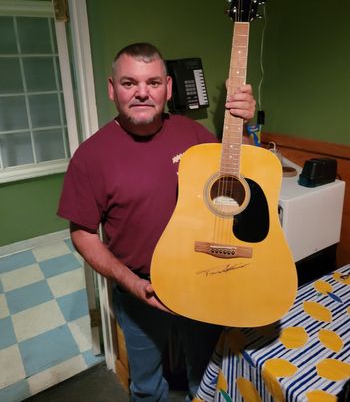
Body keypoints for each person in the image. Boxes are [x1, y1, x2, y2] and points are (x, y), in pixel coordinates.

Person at [57, 42, 256, 401]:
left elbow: (235, 176)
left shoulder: (192, 134)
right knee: (147, 387)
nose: (142, 93)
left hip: (200, 280)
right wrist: (132, 284)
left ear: (167, 87)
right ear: (112, 88)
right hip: (139, 292)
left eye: (152, 83)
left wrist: (243, 124)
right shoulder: (90, 156)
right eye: (129, 83)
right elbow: (83, 233)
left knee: (207, 375)